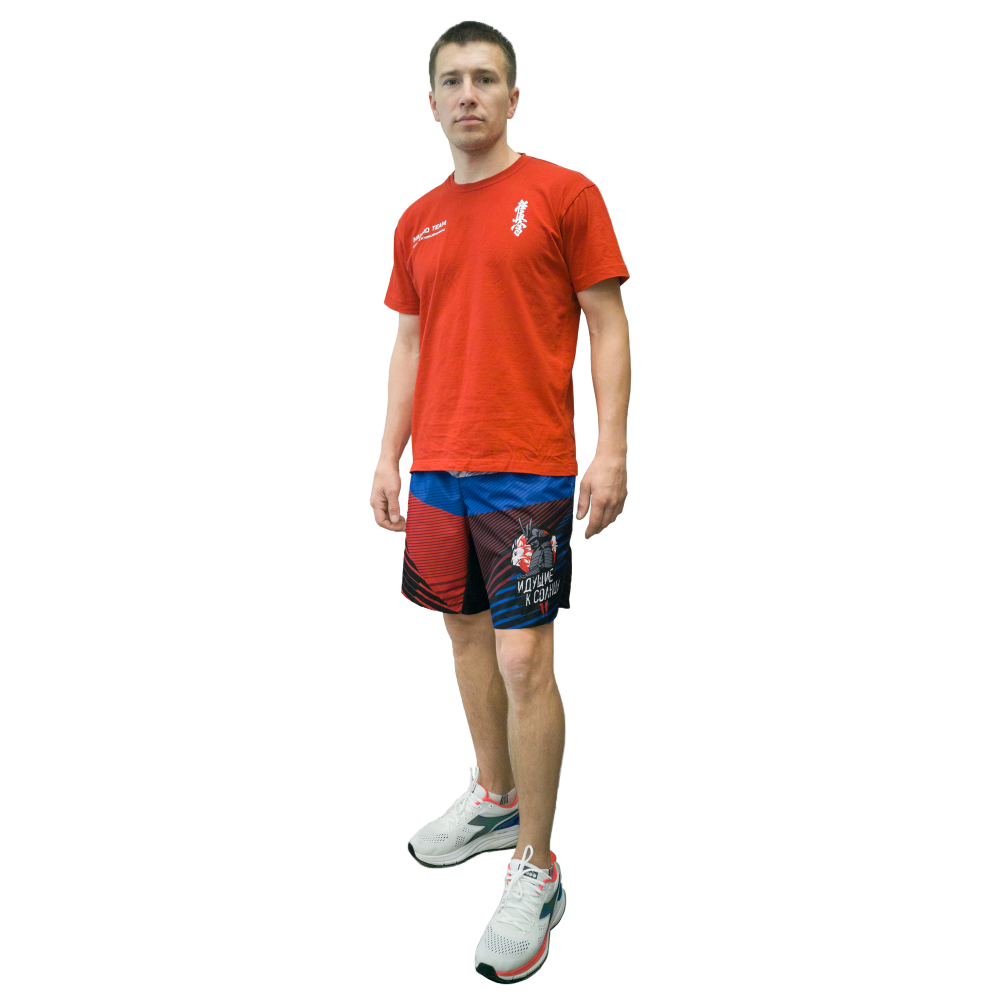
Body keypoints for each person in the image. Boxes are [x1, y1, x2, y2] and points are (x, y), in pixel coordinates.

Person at [370, 21, 631, 984]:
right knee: (465, 636)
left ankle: (537, 866)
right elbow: (409, 342)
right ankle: (494, 797)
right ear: (432, 102)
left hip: (528, 470)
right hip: (440, 467)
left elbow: (608, 321)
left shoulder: (564, 195)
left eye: (485, 78)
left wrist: (612, 448)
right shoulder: (418, 220)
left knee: (525, 659)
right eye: (452, 80)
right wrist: (389, 453)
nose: (468, 93)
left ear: (513, 98)